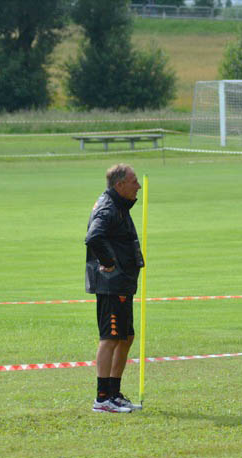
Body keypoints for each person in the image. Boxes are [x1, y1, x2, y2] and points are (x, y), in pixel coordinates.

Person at [85, 163, 144, 413]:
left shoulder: (118, 205)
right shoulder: (109, 208)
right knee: (110, 338)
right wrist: (108, 263)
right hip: (111, 285)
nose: (138, 185)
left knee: (126, 336)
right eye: (134, 181)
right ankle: (102, 398)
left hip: (122, 283)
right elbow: (93, 237)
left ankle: (114, 393)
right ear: (120, 185)